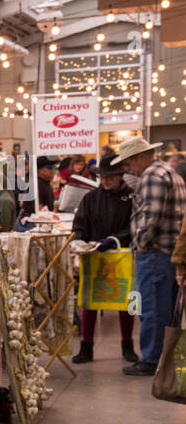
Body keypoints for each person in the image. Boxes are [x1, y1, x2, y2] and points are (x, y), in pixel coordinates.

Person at [111, 136, 186, 375]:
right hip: (169, 252)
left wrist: (141, 244)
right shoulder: (170, 172)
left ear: (141, 157)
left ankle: (152, 359)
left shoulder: (152, 176)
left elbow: (151, 216)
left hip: (155, 252)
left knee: (151, 307)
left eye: (129, 163)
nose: (127, 168)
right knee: (168, 308)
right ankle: (164, 357)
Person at [71, 153, 136, 364]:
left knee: (128, 302)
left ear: (120, 176)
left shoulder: (132, 197)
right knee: (89, 300)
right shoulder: (90, 198)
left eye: (110, 176)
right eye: (102, 177)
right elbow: (79, 224)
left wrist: (114, 239)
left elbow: (134, 227)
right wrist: (79, 240)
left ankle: (128, 345)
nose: (105, 180)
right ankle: (86, 347)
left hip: (124, 255)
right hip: (94, 256)